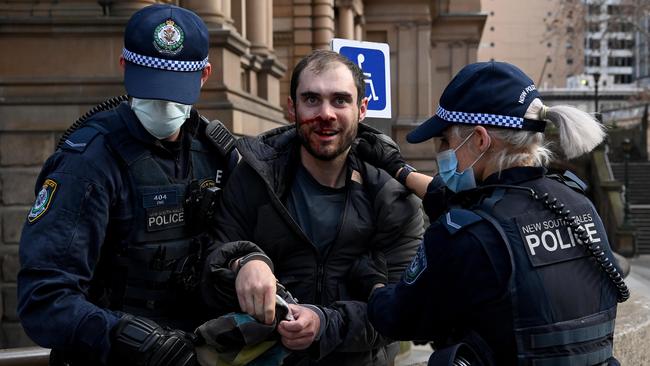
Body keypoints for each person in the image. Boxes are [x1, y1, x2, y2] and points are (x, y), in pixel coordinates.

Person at [360, 61, 629, 365]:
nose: (442, 151)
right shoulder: (577, 202)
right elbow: (482, 208)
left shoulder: (467, 237)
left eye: (445, 140)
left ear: (478, 139)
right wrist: (401, 170)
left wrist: (374, 284)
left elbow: (398, 317)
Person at [17, 4, 237, 365]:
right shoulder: (87, 164)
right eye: (151, 87)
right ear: (125, 67)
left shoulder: (217, 154)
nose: (164, 104)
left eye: (174, 90)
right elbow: (43, 299)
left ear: (204, 75)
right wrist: (124, 335)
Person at [202, 49, 424, 365]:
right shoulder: (252, 177)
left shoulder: (393, 195)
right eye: (311, 99)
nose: (326, 114)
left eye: (340, 100)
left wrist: (323, 323)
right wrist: (243, 261)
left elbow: (403, 311)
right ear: (291, 108)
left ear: (362, 109)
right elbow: (213, 264)